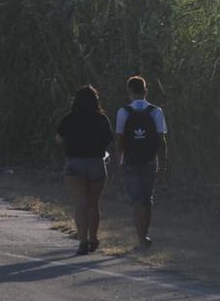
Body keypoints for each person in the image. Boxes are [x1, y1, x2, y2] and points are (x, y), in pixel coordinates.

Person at [55, 85, 112, 255]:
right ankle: (93, 238)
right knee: (93, 204)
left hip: (74, 164)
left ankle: (82, 241)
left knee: (80, 205)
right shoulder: (102, 119)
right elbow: (108, 140)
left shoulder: (69, 118)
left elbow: (58, 139)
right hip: (96, 163)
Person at [114, 75, 168, 249]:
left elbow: (120, 140)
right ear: (146, 91)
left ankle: (140, 238)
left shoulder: (123, 112)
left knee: (136, 199)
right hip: (151, 160)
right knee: (147, 198)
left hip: (130, 161)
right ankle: (145, 234)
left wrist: (119, 160)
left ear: (129, 91)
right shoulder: (156, 111)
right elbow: (162, 139)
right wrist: (163, 160)